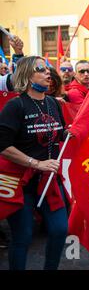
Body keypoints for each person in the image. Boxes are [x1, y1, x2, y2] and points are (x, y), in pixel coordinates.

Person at [0, 56, 68, 270]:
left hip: (48, 182)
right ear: (28, 76)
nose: (48, 72)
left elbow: (58, 134)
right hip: (19, 183)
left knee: (59, 230)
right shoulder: (15, 106)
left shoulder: (53, 103)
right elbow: (2, 146)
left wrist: (69, 134)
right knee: (23, 236)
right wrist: (36, 163)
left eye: (48, 68)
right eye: (41, 69)